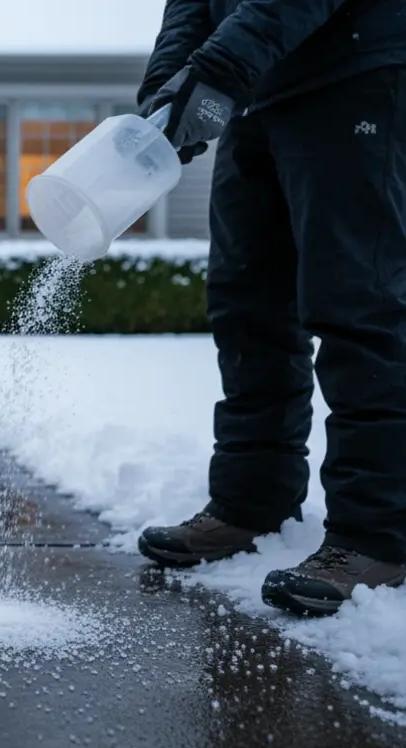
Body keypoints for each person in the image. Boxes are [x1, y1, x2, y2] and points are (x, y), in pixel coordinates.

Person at [133, 0, 406, 616]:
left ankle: (376, 537)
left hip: (352, 68)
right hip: (258, 88)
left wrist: (219, 69)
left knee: (357, 302)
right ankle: (250, 505)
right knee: (245, 302)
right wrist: (166, 90)